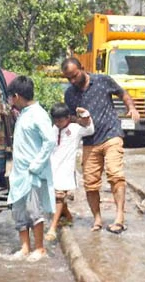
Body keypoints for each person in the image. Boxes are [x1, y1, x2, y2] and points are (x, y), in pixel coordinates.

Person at [62, 57, 140, 234]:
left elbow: (123, 93)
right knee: (90, 183)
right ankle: (97, 218)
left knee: (115, 174)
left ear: (82, 68)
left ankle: (119, 217)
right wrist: (78, 120)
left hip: (111, 134)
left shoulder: (102, 80)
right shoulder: (70, 94)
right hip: (89, 140)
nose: (72, 81)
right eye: (69, 78)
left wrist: (132, 107)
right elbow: (69, 118)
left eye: (74, 76)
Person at [5, 76, 56, 262]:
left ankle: (40, 248)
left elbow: (50, 141)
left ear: (17, 96)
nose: (10, 101)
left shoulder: (38, 114)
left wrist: (36, 165)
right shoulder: (24, 114)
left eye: (11, 97)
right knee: (19, 211)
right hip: (19, 173)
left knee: (34, 210)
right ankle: (25, 248)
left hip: (31, 172)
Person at [45, 103, 94, 241]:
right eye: (55, 120)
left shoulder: (75, 129)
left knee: (59, 196)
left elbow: (90, 129)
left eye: (61, 120)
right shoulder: (53, 128)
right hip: (53, 167)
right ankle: (68, 217)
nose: (58, 123)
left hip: (66, 168)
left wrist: (85, 114)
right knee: (55, 196)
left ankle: (52, 228)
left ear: (68, 118)